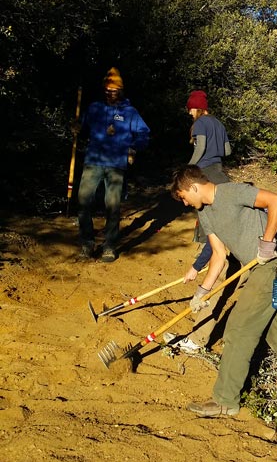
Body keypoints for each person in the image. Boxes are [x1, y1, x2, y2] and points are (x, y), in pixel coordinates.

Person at [170, 165, 277, 417]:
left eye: (184, 197)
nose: (185, 203)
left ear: (193, 187)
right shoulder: (206, 214)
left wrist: (267, 242)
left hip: (274, 266)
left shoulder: (232, 193)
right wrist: (202, 291)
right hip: (261, 271)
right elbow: (219, 256)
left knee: (238, 330)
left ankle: (225, 401)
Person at [164, 90, 234, 354]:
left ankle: (198, 335)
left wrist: (188, 170)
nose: (189, 112)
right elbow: (226, 149)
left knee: (212, 233)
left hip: (204, 174)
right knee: (214, 233)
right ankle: (207, 258)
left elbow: (202, 147)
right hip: (220, 173)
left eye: (190, 109)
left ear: (195, 108)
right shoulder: (219, 123)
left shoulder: (202, 123)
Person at [77, 67, 150, 262]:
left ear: (121, 90)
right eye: (107, 90)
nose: (110, 94)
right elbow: (82, 128)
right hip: (93, 161)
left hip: (116, 165)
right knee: (84, 201)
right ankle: (87, 242)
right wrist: (76, 127)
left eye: (114, 91)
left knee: (113, 206)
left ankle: (109, 245)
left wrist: (133, 148)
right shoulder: (94, 108)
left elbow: (144, 134)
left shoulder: (130, 112)